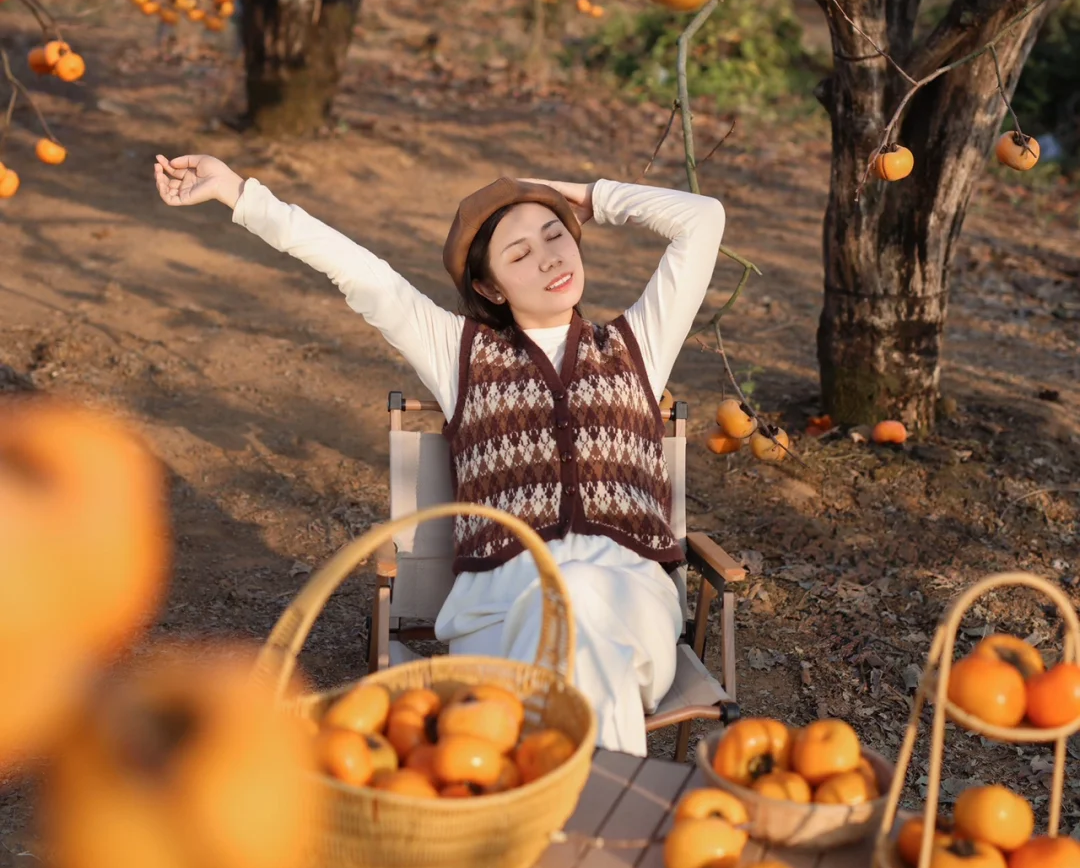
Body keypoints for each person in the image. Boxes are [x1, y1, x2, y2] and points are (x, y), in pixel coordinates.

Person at [153, 150, 727, 753]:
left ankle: (551, 809)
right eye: (519, 255)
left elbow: (703, 220)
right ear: (489, 287)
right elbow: (360, 272)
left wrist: (590, 195)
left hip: (629, 607)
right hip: (501, 619)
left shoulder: (639, 344)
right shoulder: (458, 354)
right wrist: (239, 193)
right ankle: (607, 810)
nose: (550, 257)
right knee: (569, 619)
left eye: (556, 235)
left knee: (581, 596)